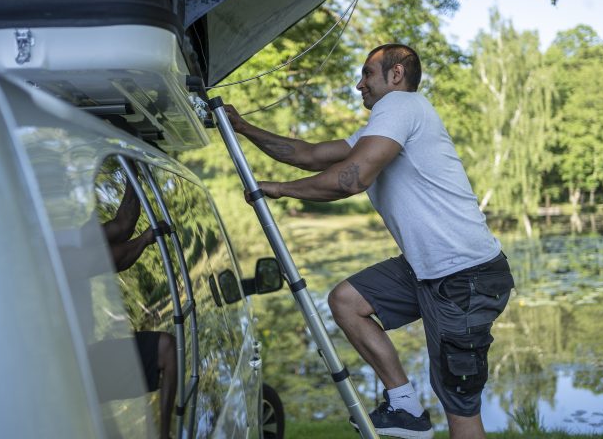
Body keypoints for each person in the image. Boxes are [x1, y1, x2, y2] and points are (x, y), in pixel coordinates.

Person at [225, 44, 514, 439]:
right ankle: (405, 407)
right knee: (347, 301)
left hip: (466, 275)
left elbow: (352, 179)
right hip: (426, 270)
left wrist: (276, 189)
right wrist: (242, 127)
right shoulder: (379, 128)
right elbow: (308, 155)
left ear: (396, 75)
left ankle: (416, 411)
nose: (359, 84)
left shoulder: (401, 106)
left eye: (367, 74)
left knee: (458, 405)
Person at [100, 173, 177, 439]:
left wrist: (131, 168)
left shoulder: (57, 233)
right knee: (166, 347)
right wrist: (145, 239)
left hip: (83, 354)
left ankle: (163, 435)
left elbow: (122, 226)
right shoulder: (47, 239)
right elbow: (112, 257)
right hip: (71, 360)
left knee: (166, 347)